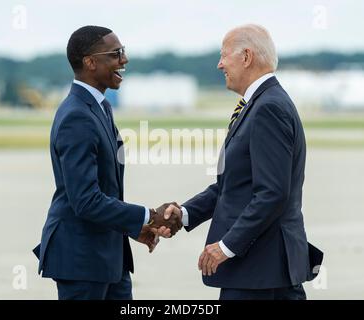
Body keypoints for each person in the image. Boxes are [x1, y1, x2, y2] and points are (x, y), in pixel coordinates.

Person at [172, 24, 323, 300]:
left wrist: (227, 246)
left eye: (223, 55)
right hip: (260, 271)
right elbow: (230, 185)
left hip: (260, 272)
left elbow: (272, 193)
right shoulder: (259, 104)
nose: (219, 65)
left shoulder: (268, 108)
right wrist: (183, 214)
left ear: (246, 57)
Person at [32, 26, 182, 300]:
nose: (124, 60)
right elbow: (85, 200)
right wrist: (147, 217)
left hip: (108, 256)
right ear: (90, 62)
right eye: (116, 54)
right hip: (82, 261)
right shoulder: (77, 116)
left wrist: (134, 228)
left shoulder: (100, 107)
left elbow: (106, 191)